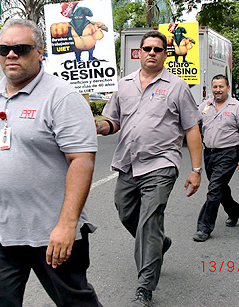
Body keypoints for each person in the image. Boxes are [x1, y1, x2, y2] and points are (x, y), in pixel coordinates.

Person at [0, 18, 101, 307]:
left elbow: (81, 161)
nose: (11, 55)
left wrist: (67, 225)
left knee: (76, 303)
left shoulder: (63, 98)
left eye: (21, 48)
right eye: (4, 49)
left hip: (51, 233)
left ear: (39, 52)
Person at [96, 30, 202, 307]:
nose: (152, 53)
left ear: (165, 54)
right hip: (128, 163)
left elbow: (192, 128)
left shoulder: (177, 87)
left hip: (161, 163)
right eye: (147, 48)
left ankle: (144, 287)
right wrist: (100, 126)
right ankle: (159, 243)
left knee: (149, 222)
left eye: (157, 49)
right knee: (125, 211)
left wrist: (196, 169)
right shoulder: (124, 85)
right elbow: (113, 122)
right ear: (139, 53)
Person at [193, 74, 239, 242]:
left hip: (229, 153)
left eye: (221, 86)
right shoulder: (205, 105)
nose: (218, 90)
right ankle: (234, 211)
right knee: (219, 187)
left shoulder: (237, 107)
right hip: (209, 153)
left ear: (228, 88)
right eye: (215, 87)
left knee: (214, 188)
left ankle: (204, 227)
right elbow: (194, 125)